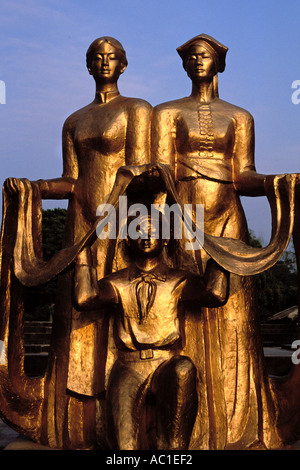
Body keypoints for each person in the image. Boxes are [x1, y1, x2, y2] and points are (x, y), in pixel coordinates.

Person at [151, 34, 283, 449]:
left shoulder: (239, 117)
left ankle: (235, 423)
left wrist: (278, 183)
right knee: (183, 314)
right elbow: (159, 173)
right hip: (182, 217)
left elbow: (244, 174)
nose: (197, 61)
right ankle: (179, 430)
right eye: (191, 56)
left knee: (234, 320)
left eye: (204, 55)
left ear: (219, 63)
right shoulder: (167, 113)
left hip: (227, 220)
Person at [74, 213, 228, 450]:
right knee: (124, 447)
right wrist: (83, 254)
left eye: (153, 231)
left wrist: (219, 256)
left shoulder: (179, 280)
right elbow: (85, 299)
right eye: (138, 232)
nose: (146, 237)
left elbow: (214, 295)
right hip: (129, 366)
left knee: (184, 368)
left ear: (165, 238)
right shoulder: (117, 282)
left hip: (166, 363)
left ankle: (174, 452)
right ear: (128, 239)